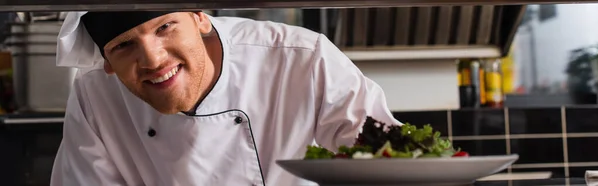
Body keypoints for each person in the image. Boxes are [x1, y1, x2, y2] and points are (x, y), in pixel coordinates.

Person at [50, 11, 402, 186]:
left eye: (164, 27)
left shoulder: (301, 57)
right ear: (107, 64)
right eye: (124, 45)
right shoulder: (93, 95)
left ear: (199, 18)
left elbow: (392, 163)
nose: (154, 60)